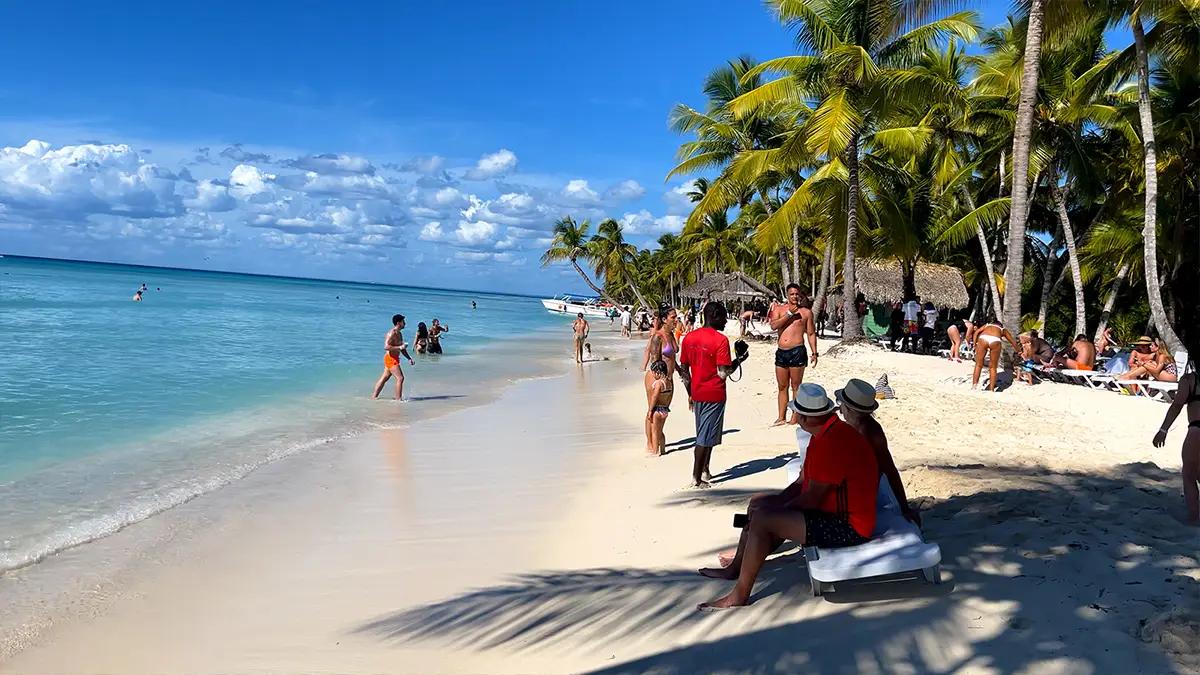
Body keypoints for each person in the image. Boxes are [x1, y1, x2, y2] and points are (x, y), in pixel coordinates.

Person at [697, 384, 878, 610]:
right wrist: (775, 503)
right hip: (831, 512)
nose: (795, 416)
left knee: (765, 519)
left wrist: (775, 512)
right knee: (758, 504)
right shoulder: (822, 433)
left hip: (849, 527)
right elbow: (803, 482)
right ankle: (735, 568)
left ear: (805, 418)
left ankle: (739, 595)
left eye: (797, 413)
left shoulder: (833, 442)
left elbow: (812, 499)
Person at [679, 302, 748, 488]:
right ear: (715, 315)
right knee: (704, 438)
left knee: (705, 434)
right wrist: (740, 360)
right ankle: (696, 478)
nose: (726, 321)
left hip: (697, 392)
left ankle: (705, 470)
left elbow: (684, 369)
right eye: (724, 316)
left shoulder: (688, 338)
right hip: (714, 393)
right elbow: (724, 372)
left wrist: (690, 392)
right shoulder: (720, 340)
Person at [836, 378, 920, 524]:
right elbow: (890, 469)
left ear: (847, 408)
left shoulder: (859, 434)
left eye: (840, 404)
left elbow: (889, 470)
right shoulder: (871, 428)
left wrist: (905, 508)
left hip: (855, 504)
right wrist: (904, 507)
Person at [1152, 355, 1198, 523]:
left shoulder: (1190, 380)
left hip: (1196, 430)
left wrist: (1163, 429)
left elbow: (1176, 406)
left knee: (1189, 474)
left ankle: (1194, 518)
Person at [768, 284, 818, 426]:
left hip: (797, 351)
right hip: (782, 352)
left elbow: (811, 333)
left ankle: (795, 417)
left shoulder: (806, 313)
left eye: (797, 294)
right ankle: (781, 416)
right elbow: (773, 325)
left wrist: (814, 352)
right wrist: (789, 314)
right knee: (782, 386)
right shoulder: (779, 309)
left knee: (796, 386)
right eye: (792, 294)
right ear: (787, 295)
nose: (795, 296)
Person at [972, 315, 1021, 391]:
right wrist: (1019, 351)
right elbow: (1013, 342)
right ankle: (991, 389)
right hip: (995, 340)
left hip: (983, 337)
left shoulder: (987, 325)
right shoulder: (1003, 329)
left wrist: (974, 344)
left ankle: (974, 386)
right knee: (993, 367)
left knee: (978, 364)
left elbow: (976, 333)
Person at [372, 314, 415, 400]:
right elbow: (386, 347)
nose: (405, 323)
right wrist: (399, 347)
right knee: (400, 378)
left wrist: (409, 358)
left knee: (384, 378)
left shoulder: (399, 334)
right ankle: (398, 399)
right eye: (403, 322)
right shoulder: (392, 333)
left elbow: (402, 349)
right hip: (390, 359)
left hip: (394, 358)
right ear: (398, 323)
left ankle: (374, 397)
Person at [644, 359, 674, 456]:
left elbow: (654, 396)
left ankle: (655, 451)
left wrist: (650, 410)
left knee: (655, 430)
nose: (653, 376)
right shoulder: (669, 383)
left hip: (657, 410)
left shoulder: (658, 384)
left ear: (658, 372)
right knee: (660, 431)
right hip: (665, 409)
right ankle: (663, 449)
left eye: (653, 373)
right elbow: (669, 396)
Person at [642, 306, 679, 377]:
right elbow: (654, 361)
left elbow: (670, 358)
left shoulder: (670, 334)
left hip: (669, 378)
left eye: (676, 317)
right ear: (664, 319)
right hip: (661, 379)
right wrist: (660, 382)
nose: (676, 320)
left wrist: (679, 370)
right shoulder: (658, 337)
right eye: (673, 317)